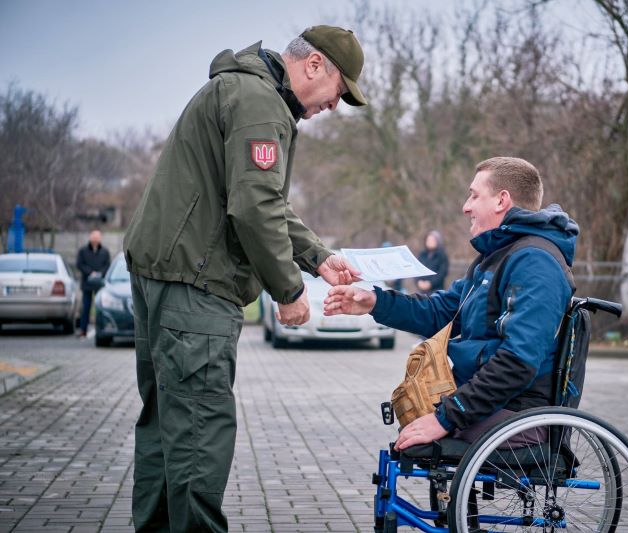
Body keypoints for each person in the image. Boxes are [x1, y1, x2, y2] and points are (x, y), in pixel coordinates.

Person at [123, 26, 366, 532]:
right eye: (340, 91)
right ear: (314, 65)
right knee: (197, 435)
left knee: (164, 430)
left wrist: (317, 257)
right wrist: (291, 291)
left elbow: (264, 200)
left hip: (165, 276)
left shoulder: (245, 89)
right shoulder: (259, 103)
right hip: (196, 285)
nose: (335, 105)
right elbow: (253, 207)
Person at [324, 157, 579, 451]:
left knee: (412, 440)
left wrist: (445, 418)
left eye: (474, 195)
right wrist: (374, 302)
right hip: (487, 402)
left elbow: (517, 362)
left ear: (501, 200)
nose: (465, 206)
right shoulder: (496, 257)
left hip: (517, 412)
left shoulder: (535, 263)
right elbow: (440, 312)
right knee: (407, 424)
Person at [76, 229, 110, 337]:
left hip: (99, 284)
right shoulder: (83, 251)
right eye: (93, 238)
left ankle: (100, 329)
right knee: (86, 307)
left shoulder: (105, 252)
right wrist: (90, 273)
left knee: (100, 308)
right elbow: (80, 264)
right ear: (90, 239)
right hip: (87, 284)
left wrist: (99, 274)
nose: (95, 241)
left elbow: (107, 265)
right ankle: (83, 330)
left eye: (97, 239)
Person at [415, 230, 449, 294]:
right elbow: (417, 269)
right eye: (428, 240)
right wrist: (419, 282)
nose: (430, 242)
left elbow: (442, 273)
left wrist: (430, 283)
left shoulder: (442, 255)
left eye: (432, 240)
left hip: (436, 290)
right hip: (421, 291)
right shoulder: (422, 255)